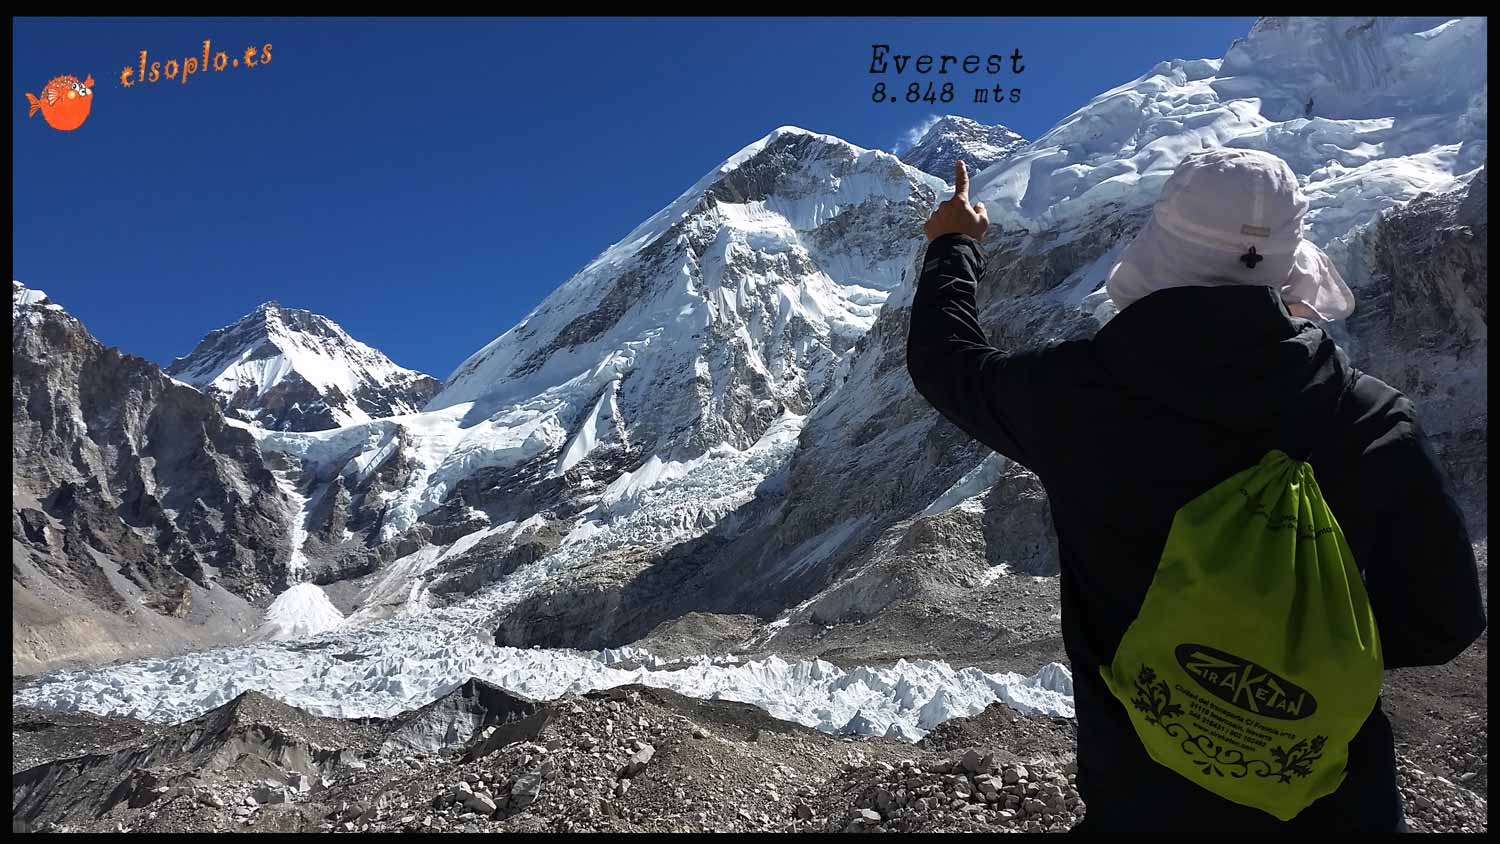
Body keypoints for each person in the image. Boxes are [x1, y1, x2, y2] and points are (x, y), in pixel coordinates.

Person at [906, 150, 1485, 832]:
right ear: (1286, 263)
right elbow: (1444, 622)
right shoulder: (1373, 421)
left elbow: (948, 364)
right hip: (1333, 807)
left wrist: (954, 244)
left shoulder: (1074, 397)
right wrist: (1298, 650)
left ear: (1163, 247)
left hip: (1143, 804)